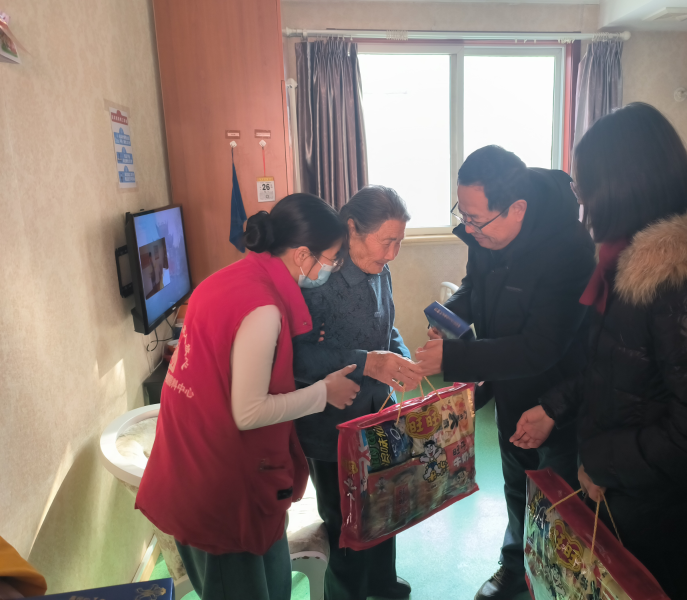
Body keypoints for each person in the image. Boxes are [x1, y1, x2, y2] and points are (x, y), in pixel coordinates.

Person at [511, 103, 687, 599]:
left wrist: (602, 463)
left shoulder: (681, 284)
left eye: (583, 187)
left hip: (667, 516)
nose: (581, 203)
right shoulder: (628, 261)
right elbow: (616, 365)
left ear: (618, 187)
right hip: (631, 497)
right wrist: (555, 407)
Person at [136, 194, 360, 600]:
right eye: (330, 260)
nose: (329, 270)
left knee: (270, 580)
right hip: (219, 485)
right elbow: (249, 411)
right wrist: (324, 393)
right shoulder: (262, 307)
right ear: (302, 255)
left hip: (192, 462)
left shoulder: (224, 280)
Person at [414, 145, 596, 600]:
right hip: (510, 387)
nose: (470, 230)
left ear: (517, 208)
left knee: (559, 506)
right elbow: (474, 287)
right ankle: (514, 569)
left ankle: (551, 587)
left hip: (559, 402)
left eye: (478, 221)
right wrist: (452, 314)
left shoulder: (570, 249)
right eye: (463, 216)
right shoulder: (486, 238)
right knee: (516, 488)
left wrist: (451, 360)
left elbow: (541, 347)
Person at [293, 185, 422, 600]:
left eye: (399, 242)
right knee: (345, 525)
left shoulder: (380, 268)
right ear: (352, 229)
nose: (393, 253)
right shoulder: (320, 277)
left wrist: (400, 359)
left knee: (385, 504)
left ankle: (382, 583)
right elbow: (297, 358)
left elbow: (387, 328)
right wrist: (368, 362)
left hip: (379, 412)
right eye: (387, 241)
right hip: (331, 428)